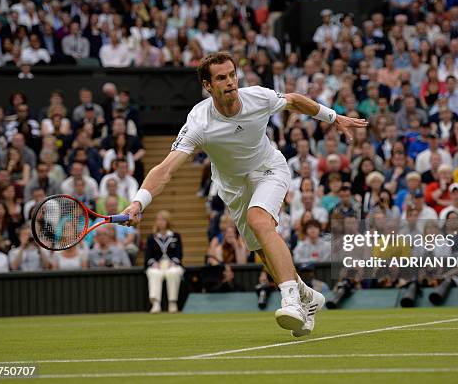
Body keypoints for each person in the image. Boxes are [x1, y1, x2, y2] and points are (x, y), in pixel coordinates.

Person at [122, 52, 367, 336]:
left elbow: (294, 100)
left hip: (268, 169)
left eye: (232, 75)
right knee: (262, 251)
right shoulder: (199, 121)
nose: (230, 82)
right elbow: (165, 170)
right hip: (232, 187)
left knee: (259, 220)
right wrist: (138, 202)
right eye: (221, 78)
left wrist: (333, 117)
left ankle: (290, 300)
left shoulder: (258, 97)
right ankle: (307, 297)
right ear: (208, 85)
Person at [144, 210, 184, 314]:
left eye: (163, 220)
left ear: (168, 221)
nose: (160, 222)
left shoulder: (176, 236)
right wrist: (154, 264)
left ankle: (172, 302)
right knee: (154, 273)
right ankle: (156, 304)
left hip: (171, 264)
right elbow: (148, 256)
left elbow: (179, 254)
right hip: (157, 265)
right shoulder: (151, 237)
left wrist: (173, 263)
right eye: (158, 220)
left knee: (173, 273)